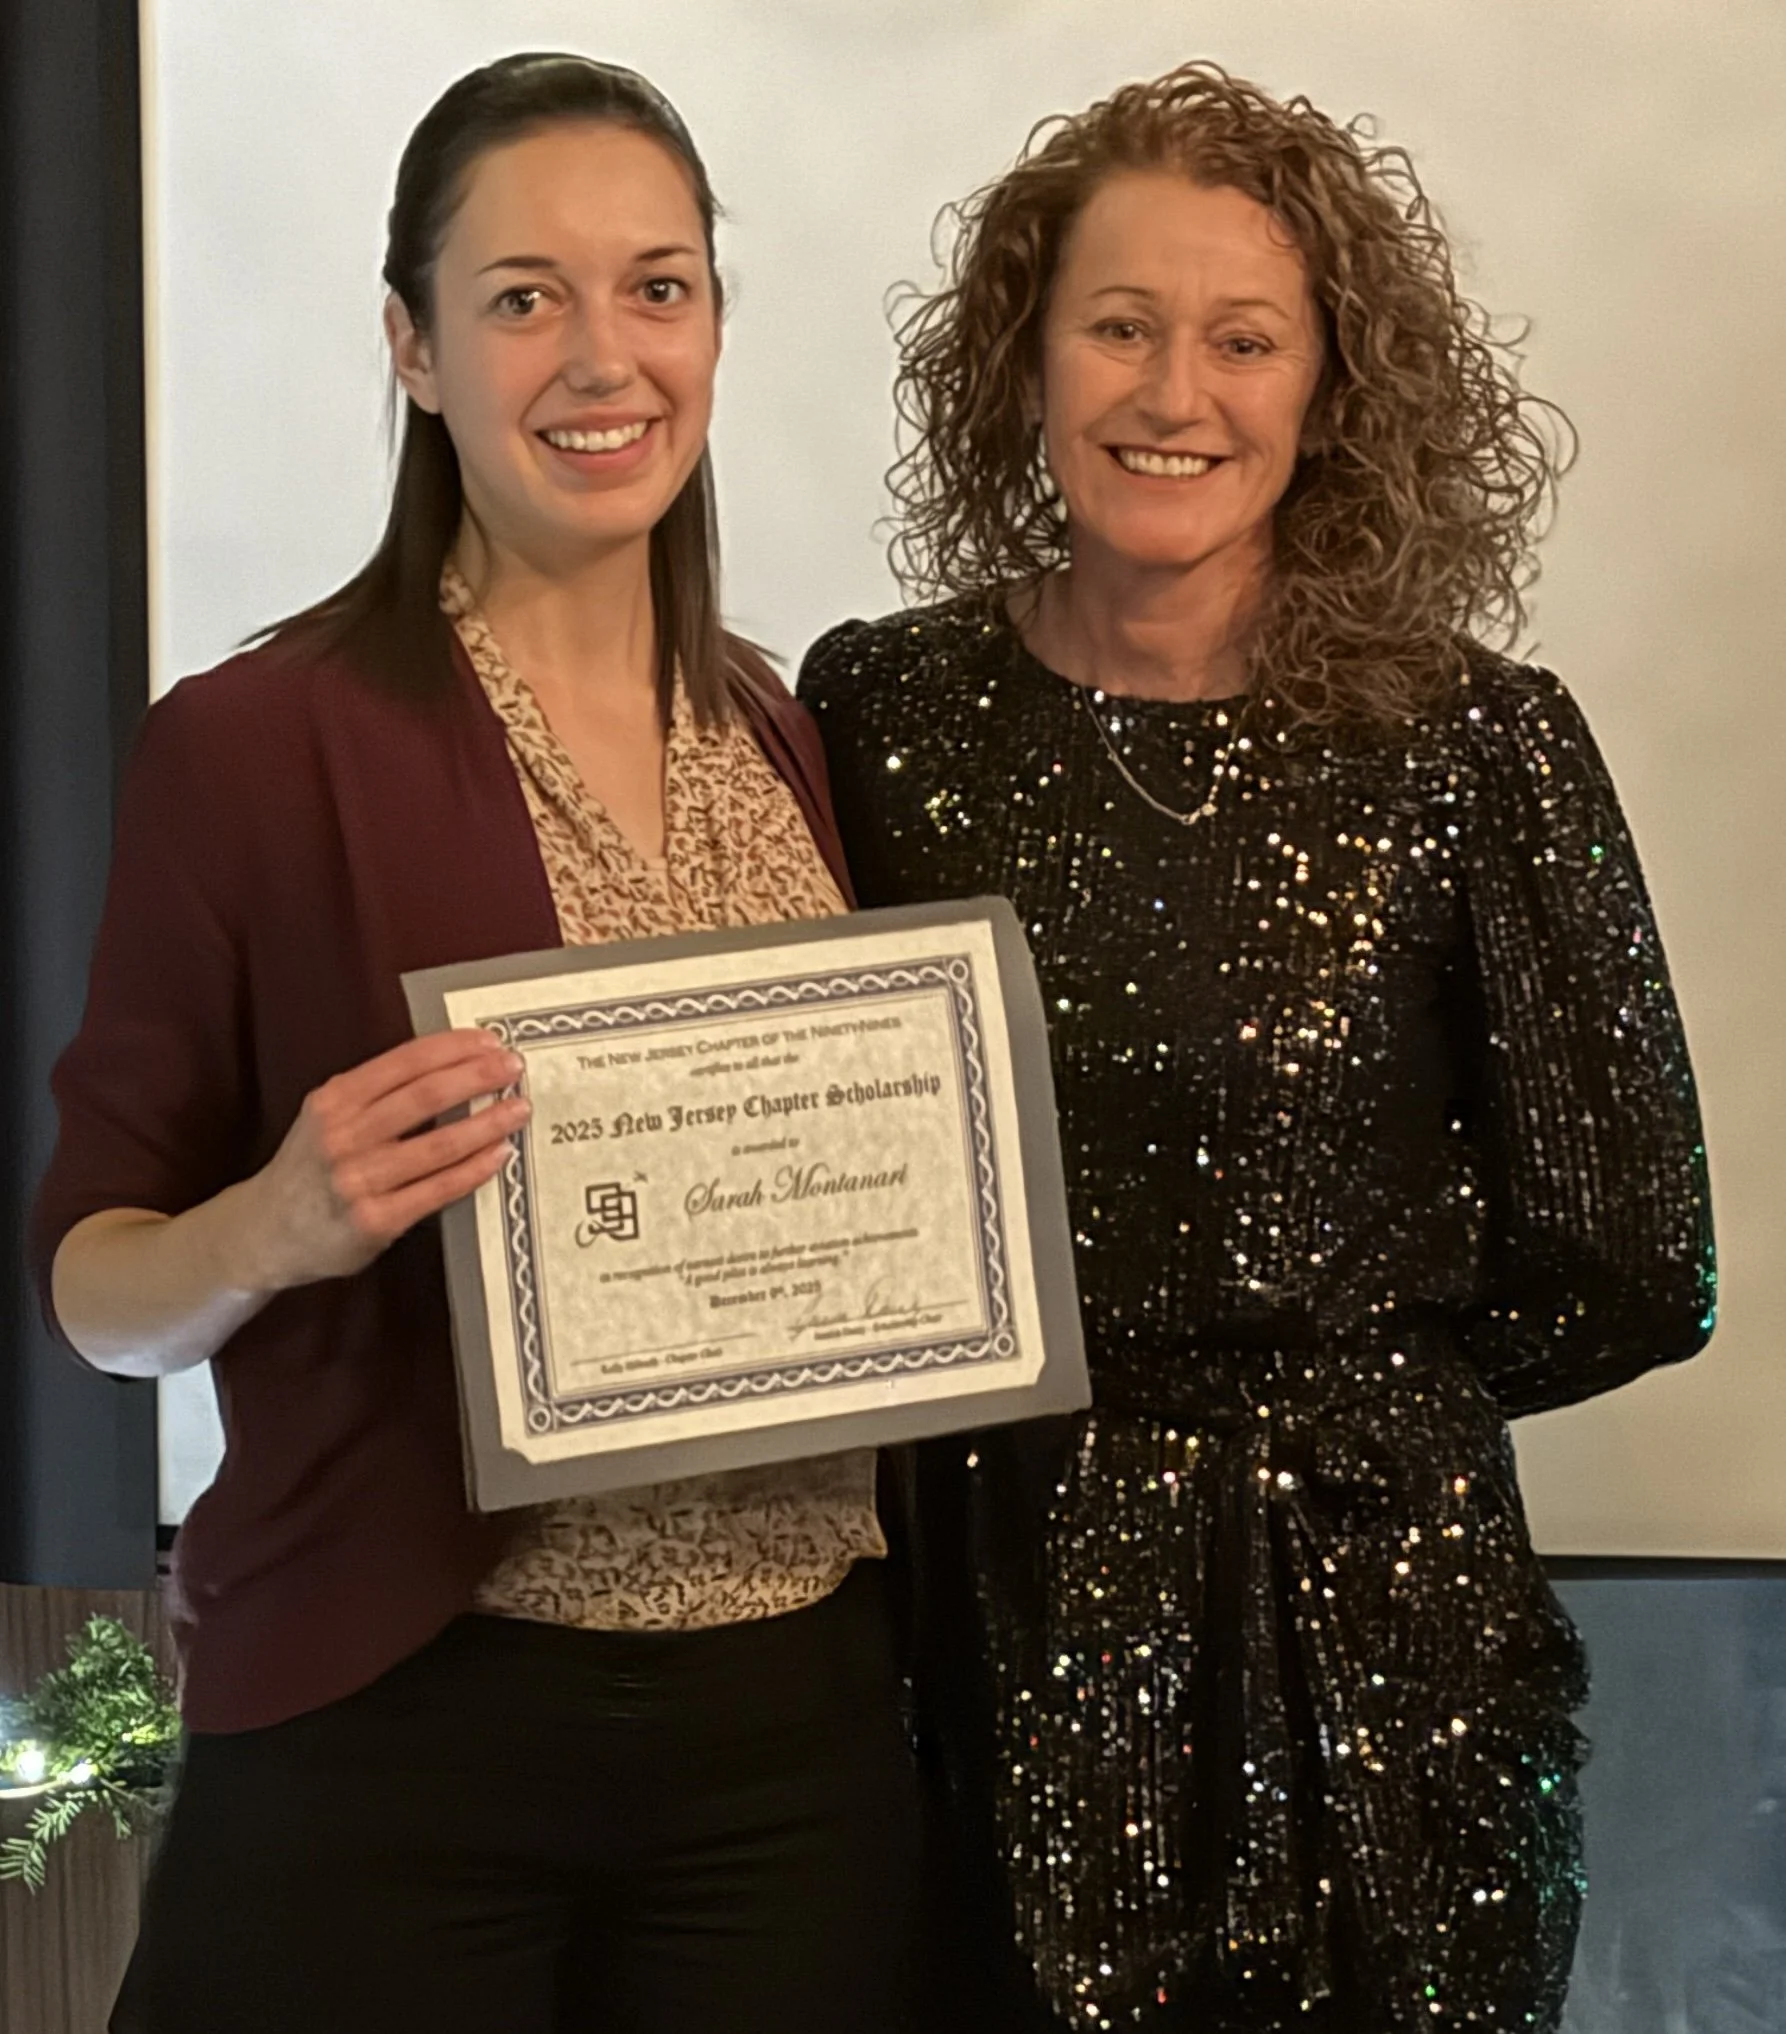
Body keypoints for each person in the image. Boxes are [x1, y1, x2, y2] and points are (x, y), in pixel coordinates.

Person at [798, 60, 1713, 2034]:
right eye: (1116, 327)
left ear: (1329, 389)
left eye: (1242, 340)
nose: (1172, 394)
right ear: (1020, 361)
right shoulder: (883, 712)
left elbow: (1638, 1253)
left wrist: (1354, 1394)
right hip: (999, 1628)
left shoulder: (1476, 744)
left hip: (1384, 1653)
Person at [36, 54, 918, 2034]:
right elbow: (96, 1292)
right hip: (402, 1726)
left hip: (792, 1736)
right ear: (414, 347)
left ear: (711, 326)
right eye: (525, 295)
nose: (603, 355)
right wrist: (272, 1224)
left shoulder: (784, 734)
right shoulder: (255, 745)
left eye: (657, 287)